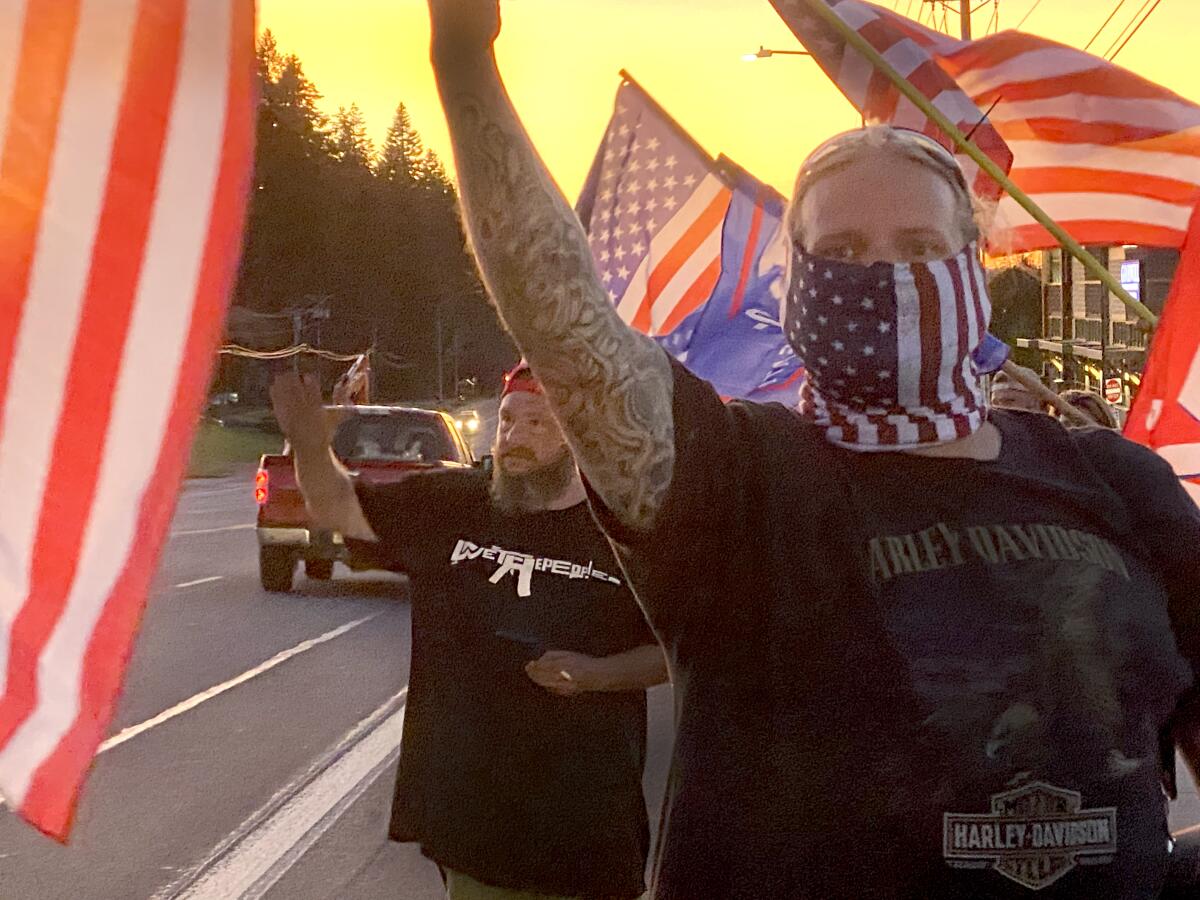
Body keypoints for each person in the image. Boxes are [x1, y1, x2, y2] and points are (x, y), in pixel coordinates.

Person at [426, 4, 1200, 896]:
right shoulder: (731, 480)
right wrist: (463, 66)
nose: (881, 276)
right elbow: (566, 322)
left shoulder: (1115, 482)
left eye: (919, 247)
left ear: (972, 268)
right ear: (794, 289)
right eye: (843, 250)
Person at [269, 363, 668, 900]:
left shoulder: (624, 530)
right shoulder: (451, 503)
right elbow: (338, 506)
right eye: (507, 420)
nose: (514, 436)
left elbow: (678, 649)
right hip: (471, 811)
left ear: (579, 434)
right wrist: (310, 444)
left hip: (583, 819)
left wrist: (597, 675)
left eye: (537, 422)